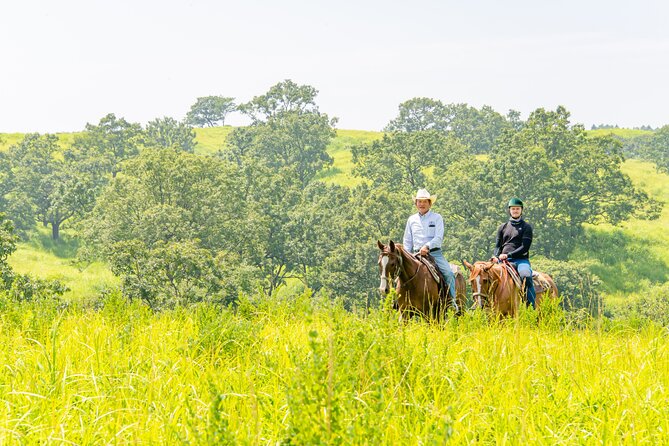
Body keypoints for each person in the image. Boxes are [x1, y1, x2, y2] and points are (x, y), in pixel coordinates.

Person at [402, 188, 458, 310]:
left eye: (424, 201)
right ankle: (398, 300)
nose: (421, 204)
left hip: (434, 253)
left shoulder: (437, 218)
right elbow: (407, 240)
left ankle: (451, 301)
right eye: (419, 201)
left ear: (429, 203)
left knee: (448, 273)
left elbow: (438, 237)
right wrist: (406, 254)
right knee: (399, 274)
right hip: (415, 254)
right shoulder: (411, 220)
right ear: (416, 203)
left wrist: (427, 246)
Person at [491, 197, 536, 308]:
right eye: (513, 209)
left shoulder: (526, 227)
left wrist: (509, 255)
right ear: (509, 210)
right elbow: (498, 246)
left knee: (526, 276)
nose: (515, 211)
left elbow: (524, 247)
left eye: (517, 209)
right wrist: (495, 256)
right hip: (502, 260)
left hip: (520, 260)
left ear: (521, 210)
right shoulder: (503, 227)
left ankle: (530, 306)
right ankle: (486, 305)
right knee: (486, 275)